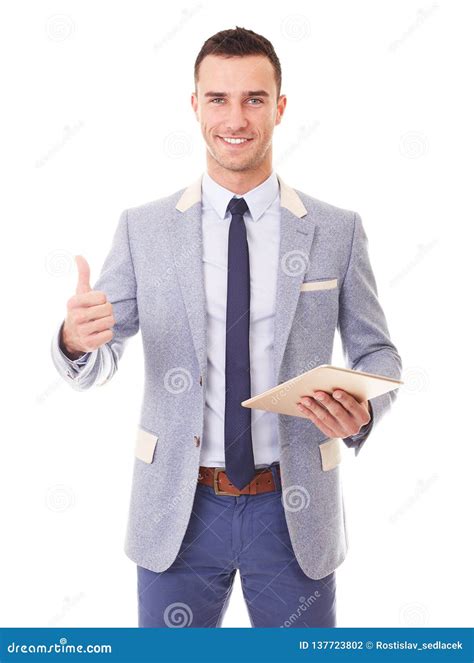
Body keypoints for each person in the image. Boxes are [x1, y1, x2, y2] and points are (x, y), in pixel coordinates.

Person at [51, 26, 402, 628]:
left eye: (254, 98)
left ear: (280, 107)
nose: (235, 117)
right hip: (177, 511)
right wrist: (76, 342)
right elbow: (102, 351)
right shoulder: (145, 229)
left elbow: (378, 354)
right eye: (218, 98)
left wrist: (364, 407)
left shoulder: (336, 229)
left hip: (293, 514)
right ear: (195, 106)